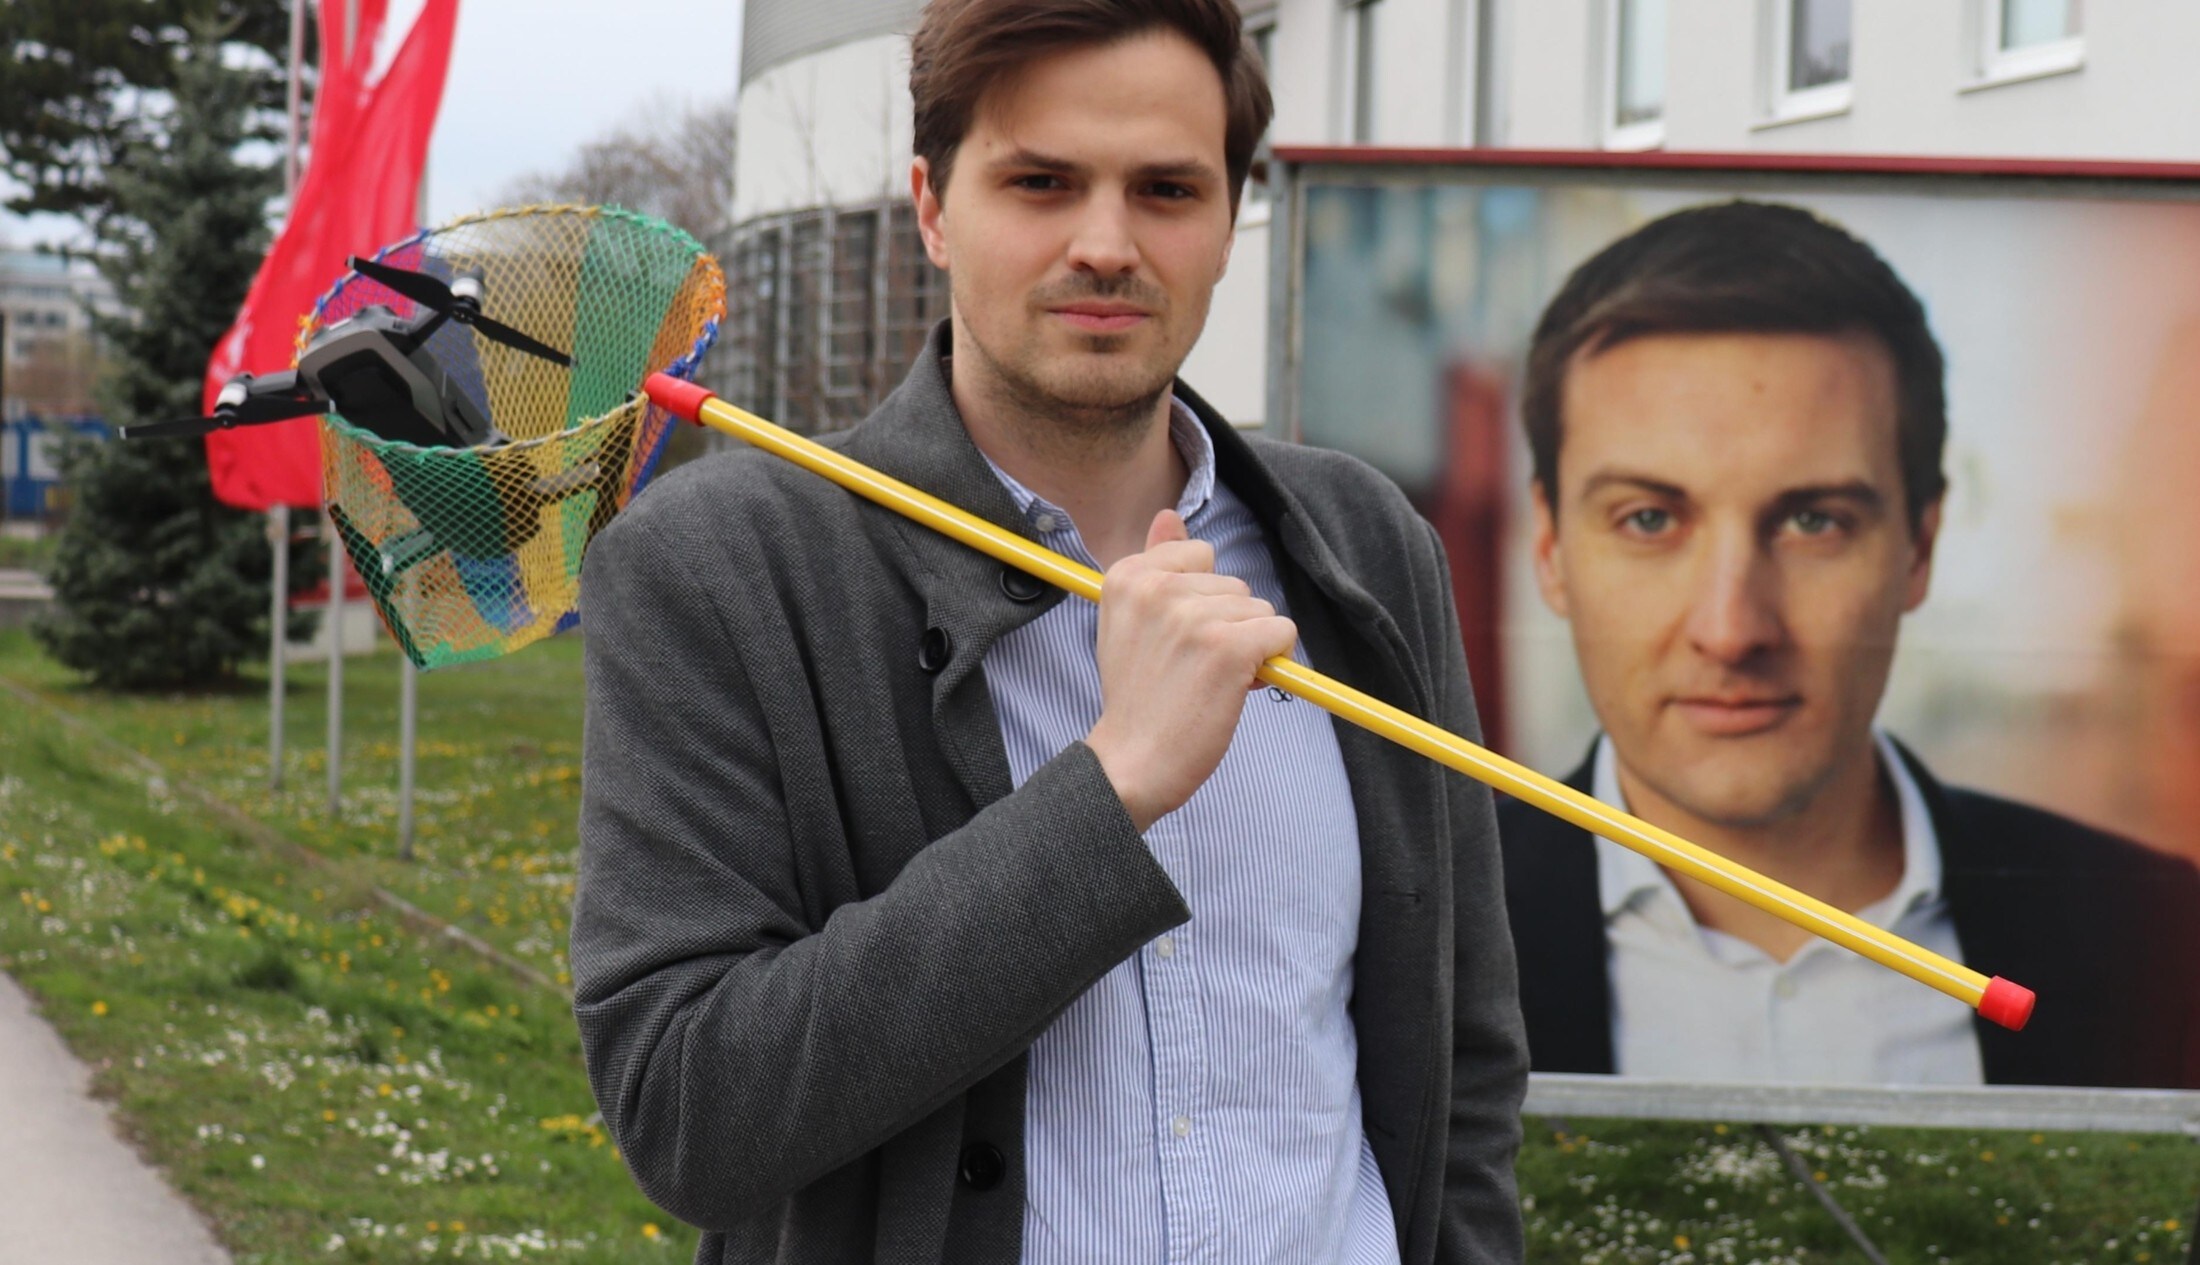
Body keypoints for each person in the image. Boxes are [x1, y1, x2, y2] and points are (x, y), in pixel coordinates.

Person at [570, 2, 1529, 1261]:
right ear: (932, 205)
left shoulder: (1361, 546)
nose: (1106, 243)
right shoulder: (720, 567)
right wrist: (1112, 785)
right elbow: (690, 1111)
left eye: (1168, 189)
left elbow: (1461, 1069)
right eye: (1040, 181)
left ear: (1232, 215)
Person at [1498, 199, 2200, 1089]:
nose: (1731, 628)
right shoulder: (1398, 939)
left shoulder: (2158, 937)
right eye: (1649, 518)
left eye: (1812, 520)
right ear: (1552, 549)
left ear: (1920, 548)